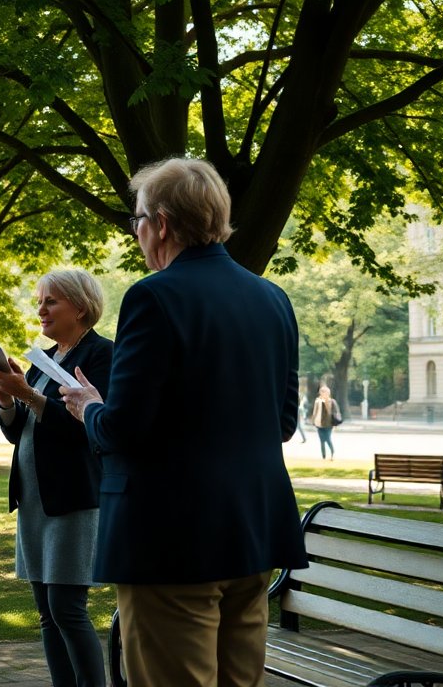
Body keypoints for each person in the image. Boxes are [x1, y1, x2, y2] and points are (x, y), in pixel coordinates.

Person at [59, 157, 307, 687]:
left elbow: (124, 427)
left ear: (163, 223)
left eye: (138, 221)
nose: (137, 233)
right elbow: (283, 422)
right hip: (253, 533)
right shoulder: (273, 298)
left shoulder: (154, 297)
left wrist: (88, 407)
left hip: (169, 540)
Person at [0, 269, 112, 687]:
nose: (41, 309)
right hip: (35, 501)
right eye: (40, 301)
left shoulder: (101, 356)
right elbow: (23, 427)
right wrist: (8, 398)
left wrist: (29, 395)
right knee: (47, 614)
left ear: (79, 306)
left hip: (73, 497)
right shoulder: (46, 358)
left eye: (51, 301)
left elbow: (89, 426)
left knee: (67, 609)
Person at [310, 386, 340, 460]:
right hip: (319, 424)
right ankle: (323, 456)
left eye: (325, 392)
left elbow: (336, 413)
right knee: (322, 441)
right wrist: (313, 421)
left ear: (328, 393)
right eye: (322, 392)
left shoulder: (332, 401)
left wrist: (336, 424)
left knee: (328, 439)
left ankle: (332, 454)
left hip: (329, 424)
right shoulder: (318, 401)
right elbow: (315, 412)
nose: (323, 393)